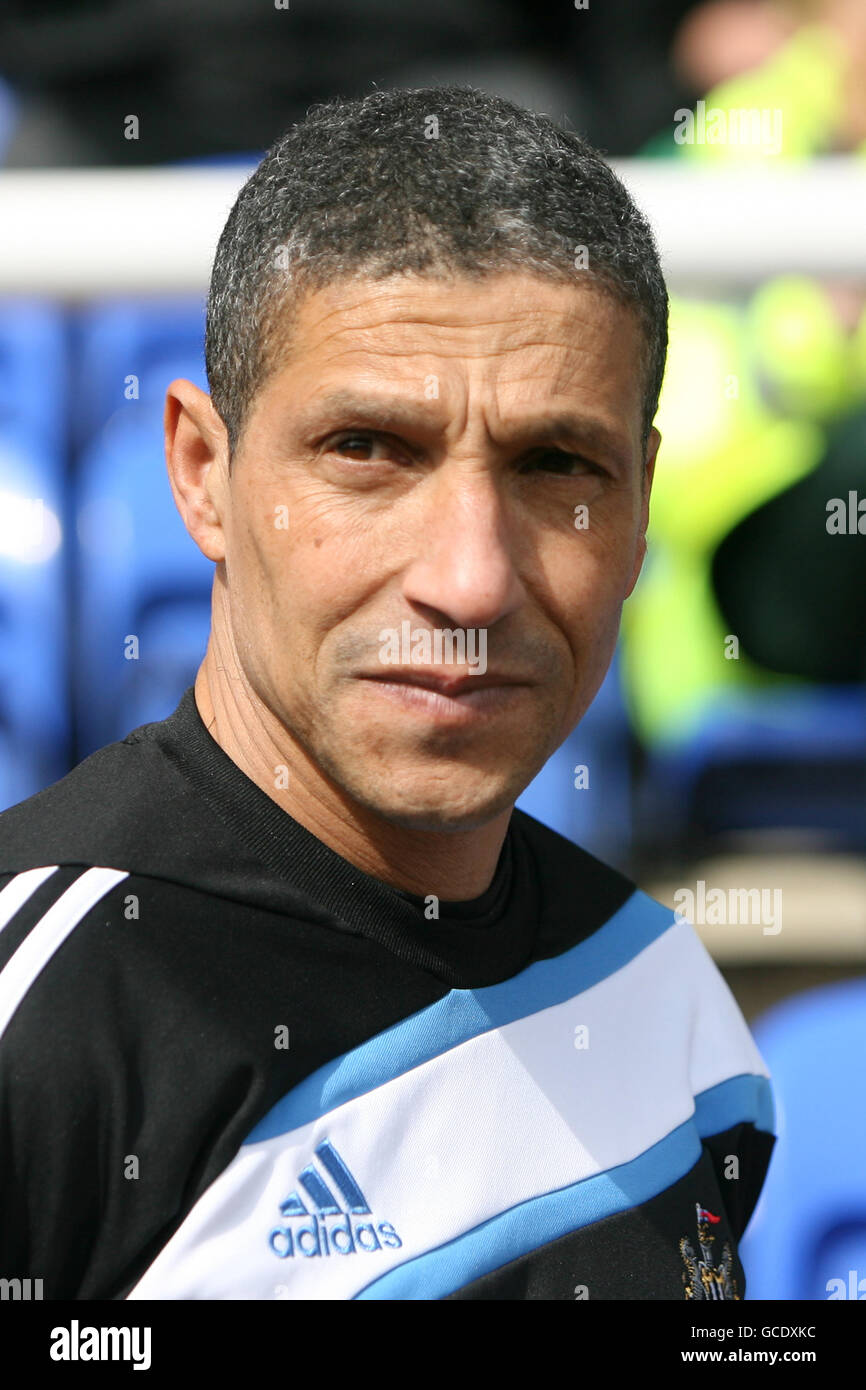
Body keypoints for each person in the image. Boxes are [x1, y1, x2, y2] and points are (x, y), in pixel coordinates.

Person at [0, 85, 774, 1301]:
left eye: (555, 465)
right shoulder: (33, 1024)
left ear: (635, 509)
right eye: (367, 450)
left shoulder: (665, 1007)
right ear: (201, 475)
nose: (469, 580)